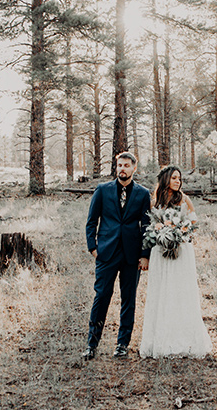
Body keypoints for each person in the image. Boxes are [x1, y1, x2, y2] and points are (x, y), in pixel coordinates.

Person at [83, 151, 151, 360]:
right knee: (101, 296)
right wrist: (93, 247)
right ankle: (91, 344)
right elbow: (91, 220)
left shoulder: (143, 193)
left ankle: (122, 344)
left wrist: (145, 254)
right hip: (106, 253)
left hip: (132, 255)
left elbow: (147, 225)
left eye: (126, 165)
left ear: (134, 168)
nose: (122, 169)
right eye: (119, 165)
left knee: (128, 300)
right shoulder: (103, 190)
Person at [139, 165, 212, 358]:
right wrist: (160, 232)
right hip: (160, 251)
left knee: (181, 292)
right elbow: (151, 224)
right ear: (165, 180)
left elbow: (194, 223)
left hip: (181, 251)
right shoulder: (155, 202)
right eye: (174, 178)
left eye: (179, 178)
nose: (178, 181)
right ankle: (161, 340)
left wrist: (181, 232)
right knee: (163, 292)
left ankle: (185, 340)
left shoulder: (184, 199)